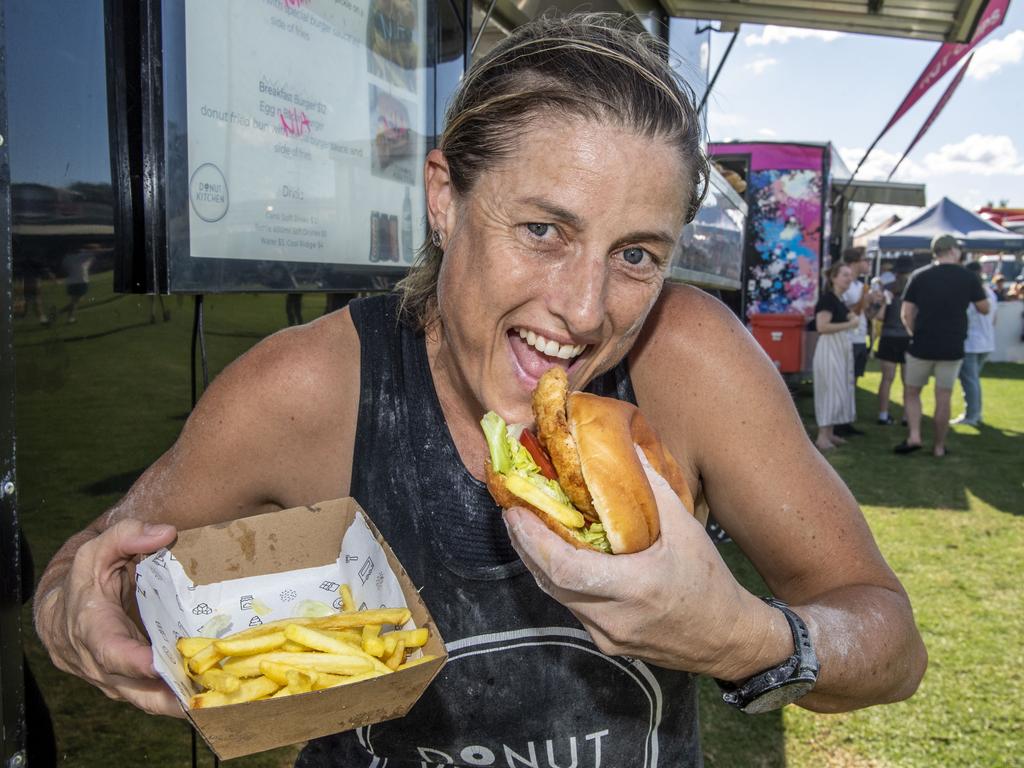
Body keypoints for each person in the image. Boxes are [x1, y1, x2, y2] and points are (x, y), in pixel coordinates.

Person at [33, 15, 926, 765]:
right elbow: (92, 568)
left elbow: (889, 644)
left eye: (636, 255)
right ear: (444, 197)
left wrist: (742, 636)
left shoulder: (686, 361)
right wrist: (82, 610)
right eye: (542, 229)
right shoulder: (310, 386)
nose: (581, 312)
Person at [895, 234, 989, 457]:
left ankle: (915, 435)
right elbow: (984, 308)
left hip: (922, 344)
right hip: (952, 346)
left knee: (911, 392)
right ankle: (938, 446)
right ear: (953, 250)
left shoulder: (920, 276)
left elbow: (906, 313)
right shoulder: (968, 277)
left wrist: (913, 332)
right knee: (943, 396)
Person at [812, 262, 860, 451]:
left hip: (838, 348)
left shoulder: (839, 299)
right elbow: (822, 327)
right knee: (829, 391)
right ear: (833, 278)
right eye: (844, 275)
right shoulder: (827, 299)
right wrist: (850, 324)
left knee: (837, 390)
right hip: (829, 348)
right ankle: (822, 437)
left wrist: (852, 319)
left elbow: (850, 316)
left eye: (850, 275)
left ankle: (830, 432)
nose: (849, 279)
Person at [952, 261, 997, 426]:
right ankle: (975, 414)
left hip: (972, 343)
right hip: (986, 342)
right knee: (973, 380)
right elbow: (994, 319)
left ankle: (972, 415)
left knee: (970, 381)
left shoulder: (970, 293)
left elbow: (966, 318)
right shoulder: (990, 293)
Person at [835, 247, 874, 437]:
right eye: (866, 259)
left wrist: (872, 302)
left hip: (859, 337)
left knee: (853, 382)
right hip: (848, 338)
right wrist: (863, 300)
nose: (869, 263)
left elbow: (864, 313)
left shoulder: (859, 284)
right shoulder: (847, 284)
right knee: (844, 381)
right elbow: (843, 311)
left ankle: (847, 420)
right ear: (856, 261)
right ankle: (839, 424)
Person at [875, 255, 915, 425]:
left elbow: (880, 316)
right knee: (908, 382)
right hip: (907, 337)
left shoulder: (888, 288)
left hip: (889, 337)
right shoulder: (914, 289)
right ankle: (907, 416)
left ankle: (883, 414)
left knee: (886, 379)